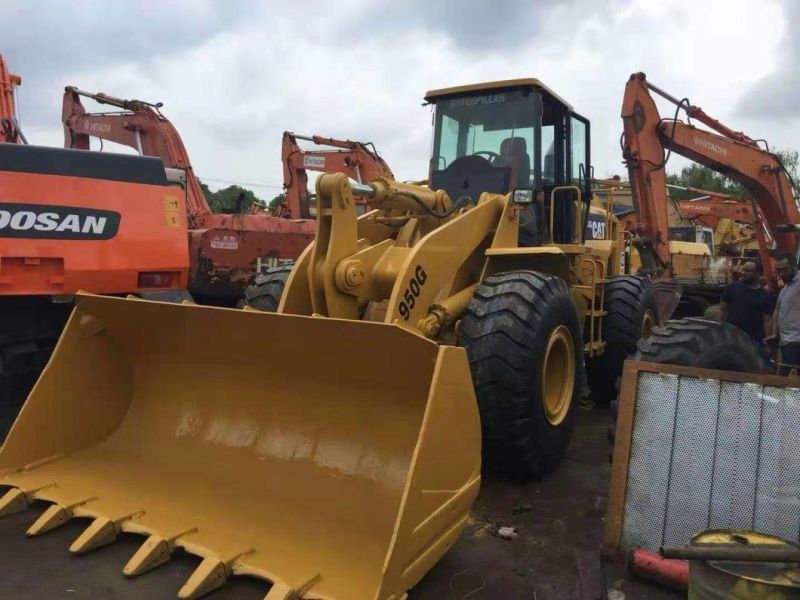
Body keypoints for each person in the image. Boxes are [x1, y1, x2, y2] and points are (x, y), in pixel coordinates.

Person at [719, 260, 774, 346]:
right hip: (732, 338)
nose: (743, 273)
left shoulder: (765, 295)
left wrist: (768, 342)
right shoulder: (732, 288)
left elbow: (767, 321)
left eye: (747, 271)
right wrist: (717, 332)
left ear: (758, 273)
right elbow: (722, 311)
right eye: (743, 270)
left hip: (754, 341)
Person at [765, 253, 800, 373]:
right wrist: (775, 333)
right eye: (778, 271)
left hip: (796, 341)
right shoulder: (786, 288)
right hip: (785, 341)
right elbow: (777, 311)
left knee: (789, 380)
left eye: (783, 270)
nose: (780, 274)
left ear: (794, 266)